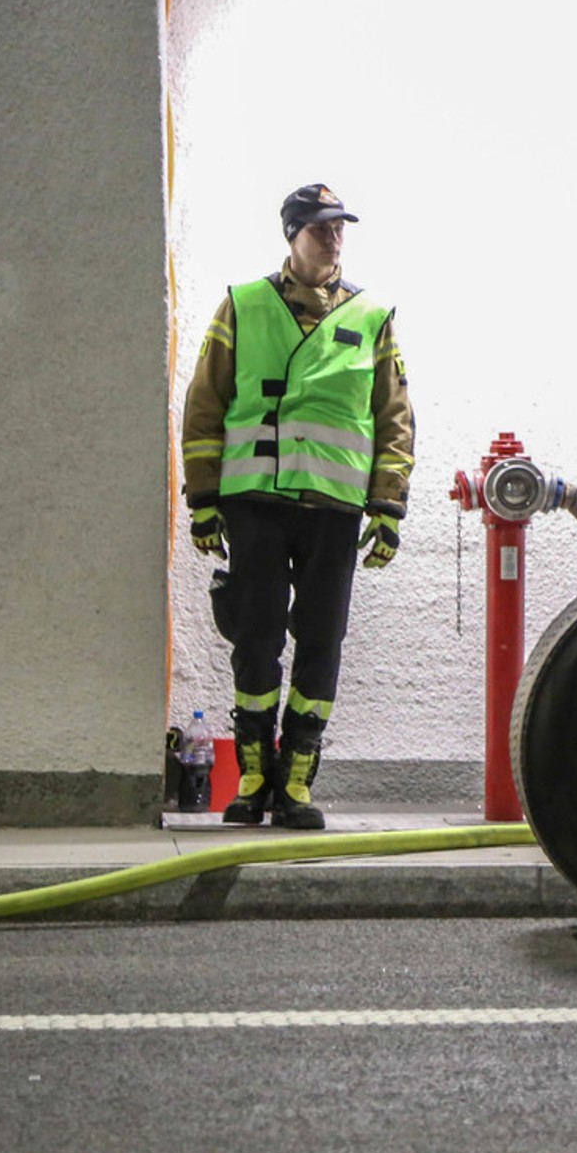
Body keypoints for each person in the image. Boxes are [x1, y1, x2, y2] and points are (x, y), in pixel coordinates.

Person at [180, 183, 415, 829]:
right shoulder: (244, 306)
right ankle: (254, 776)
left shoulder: (371, 316)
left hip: (333, 510)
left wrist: (387, 508)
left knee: (321, 640)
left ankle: (298, 779)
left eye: (339, 228)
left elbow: (393, 417)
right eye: (320, 229)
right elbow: (205, 406)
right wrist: (203, 500)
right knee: (253, 639)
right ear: (292, 236)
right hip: (254, 502)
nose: (333, 239)